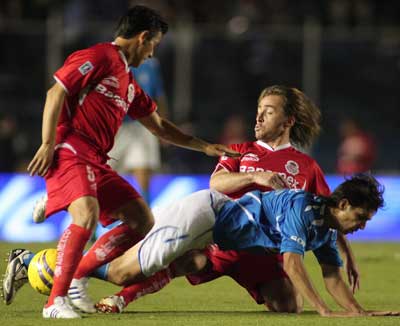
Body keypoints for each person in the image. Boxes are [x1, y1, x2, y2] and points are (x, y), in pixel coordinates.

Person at [2, 6, 238, 319]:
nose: (152, 53)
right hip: (71, 149)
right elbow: (54, 93)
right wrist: (48, 144)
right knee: (86, 215)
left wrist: (204, 146)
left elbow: (159, 125)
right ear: (142, 38)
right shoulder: (100, 57)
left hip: (97, 161)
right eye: (153, 44)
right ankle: (54, 303)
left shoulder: (128, 82)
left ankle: (71, 265)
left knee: (141, 219)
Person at [95, 85, 361, 313]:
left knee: (290, 305)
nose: (258, 117)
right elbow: (216, 183)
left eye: (268, 112)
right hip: (220, 240)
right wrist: (255, 176)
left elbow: (328, 215)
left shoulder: (306, 166)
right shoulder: (240, 151)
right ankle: (119, 296)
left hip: (264, 253)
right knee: (188, 262)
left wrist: (347, 255)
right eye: (258, 110)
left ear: (288, 121)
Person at [77, 175, 397, 317]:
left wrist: (358, 312)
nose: (362, 226)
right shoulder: (303, 208)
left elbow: (332, 277)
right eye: (359, 216)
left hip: (211, 233)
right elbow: (291, 264)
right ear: (341, 204)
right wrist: (324, 311)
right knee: (123, 274)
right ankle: (57, 264)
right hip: (205, 215)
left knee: (129, 260)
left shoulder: (326, 230)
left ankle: (68, 261)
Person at [108, 57, 168, 201]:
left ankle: (145, 212)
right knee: (105, 172)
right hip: (118, 126)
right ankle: (105, 214)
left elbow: (158, 94)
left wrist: (163, 127)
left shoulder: (151, 64)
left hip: (143, 124)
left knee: (143, 169)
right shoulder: (113, 61)